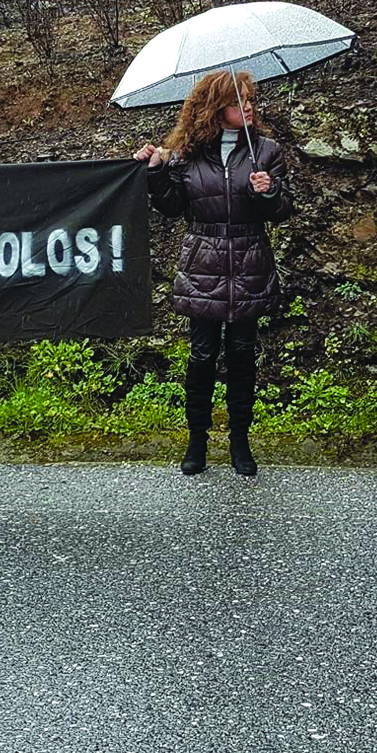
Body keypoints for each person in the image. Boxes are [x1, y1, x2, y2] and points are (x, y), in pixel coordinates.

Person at [135, 71, 294, 477]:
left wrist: (268, 192)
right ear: (215, 109)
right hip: (202, 261)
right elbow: (172, 207)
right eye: (239, 100)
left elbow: (281, 212)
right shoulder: (185, 154)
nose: (250, 106)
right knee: (202, 356)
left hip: (249, 260)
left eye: (250, 98)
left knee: (242, 355)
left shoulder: (267, 151)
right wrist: (154, 172)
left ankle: (240, 441)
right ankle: (197, 441)